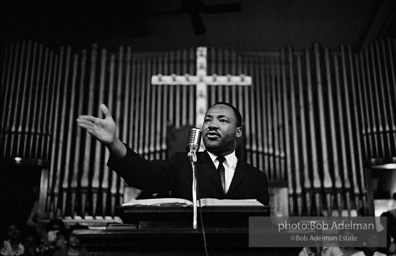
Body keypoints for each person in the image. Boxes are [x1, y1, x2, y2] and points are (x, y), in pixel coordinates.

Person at [77, 102, 269, 205]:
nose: (212, 125)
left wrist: (296, 235)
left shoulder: (256, 178)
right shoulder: (184, 164)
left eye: (223, 120)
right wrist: (114, 143)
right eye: (208, 120)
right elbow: (144, 175)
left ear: (238, 132)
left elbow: (265, 234)